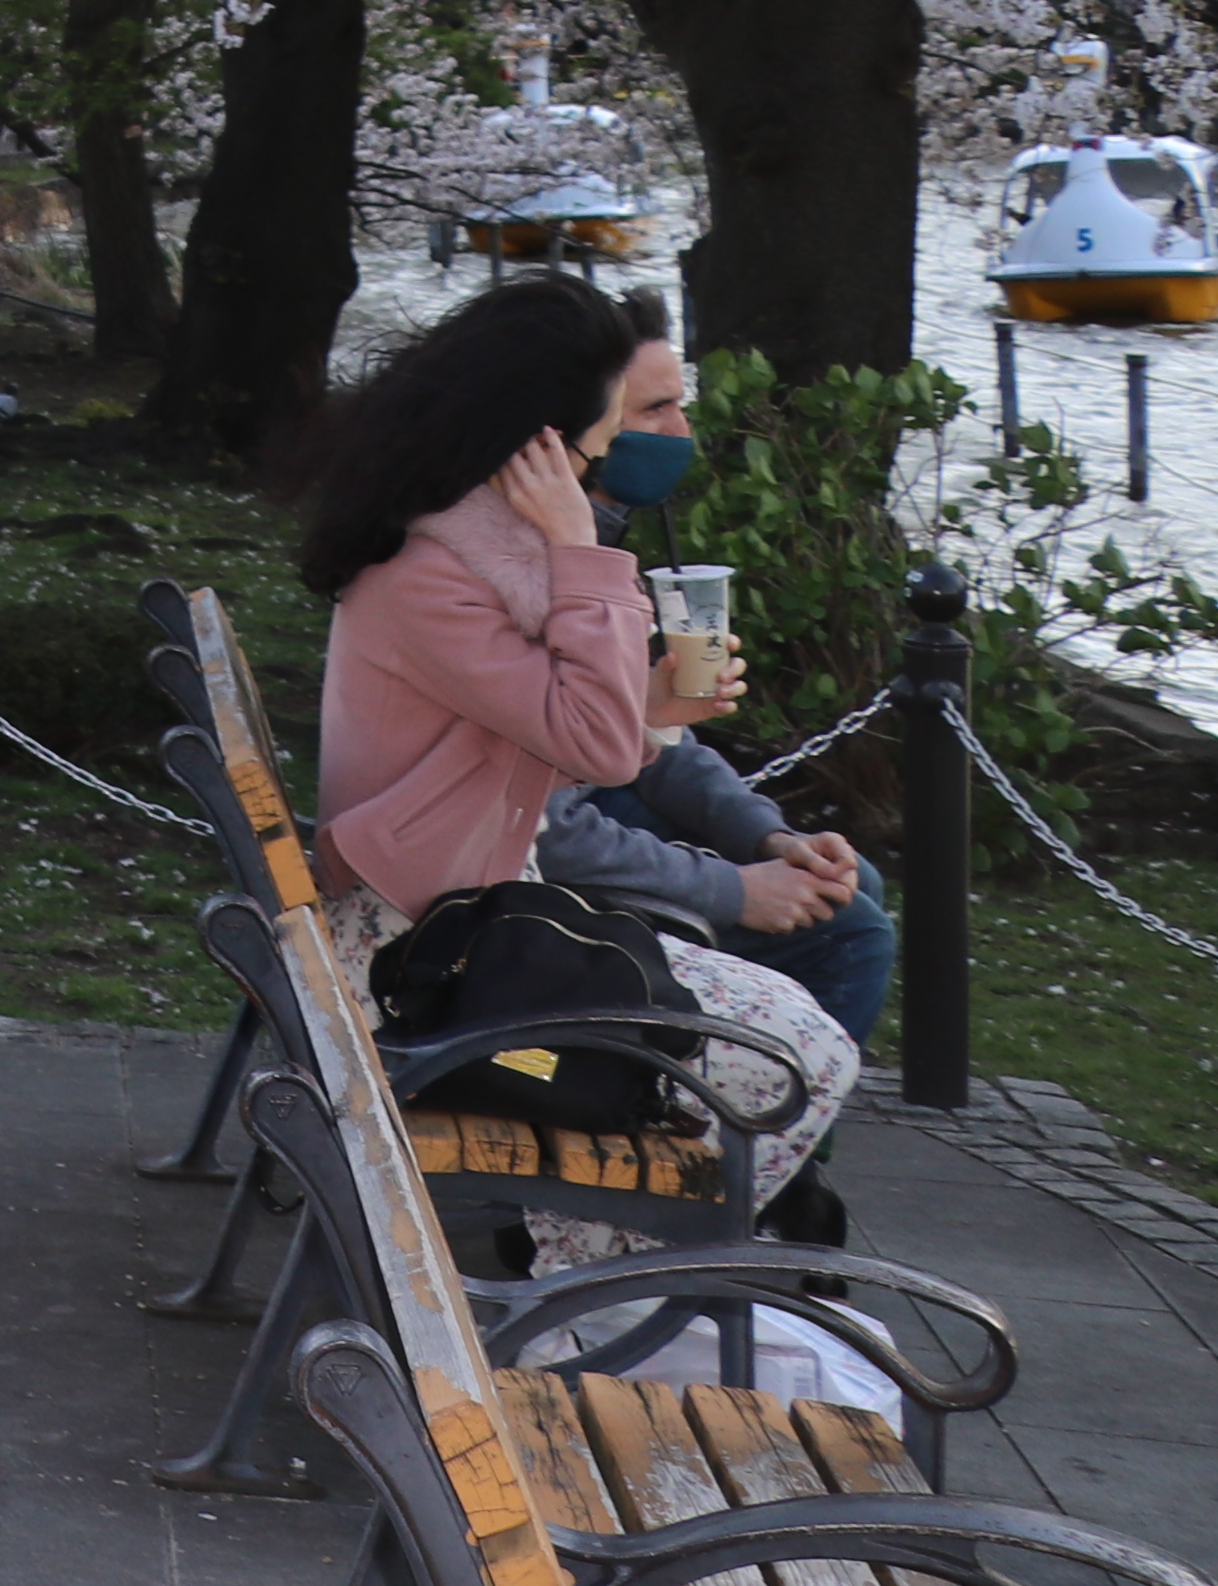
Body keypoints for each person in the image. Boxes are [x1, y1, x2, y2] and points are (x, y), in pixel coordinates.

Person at [301, 274, 858, 1246]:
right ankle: (591, 1297)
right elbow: (591, 746)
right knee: (800, 1056)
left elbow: (541, 742)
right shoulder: (444, 574)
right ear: (536, 447)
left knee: (779, 1039)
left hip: (452, 919)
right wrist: (581, 552)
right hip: (419, 955)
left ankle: (593, 1279)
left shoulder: (446, 550)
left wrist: (647, 703)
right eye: (591, 459)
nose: (599, 484)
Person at [537, 311, 894, 1040]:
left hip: (593, 820)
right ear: (585, 424)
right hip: (535, 887)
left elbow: (657, 744)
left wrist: (770, 838)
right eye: (653, 410)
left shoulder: (598, 541)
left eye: (682, 404)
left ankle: (734, 1108)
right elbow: (550, 825)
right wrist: (734, 889)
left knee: (845, 890)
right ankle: (753, 1137)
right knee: (851, 931)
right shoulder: (541, 565)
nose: (680, 432)